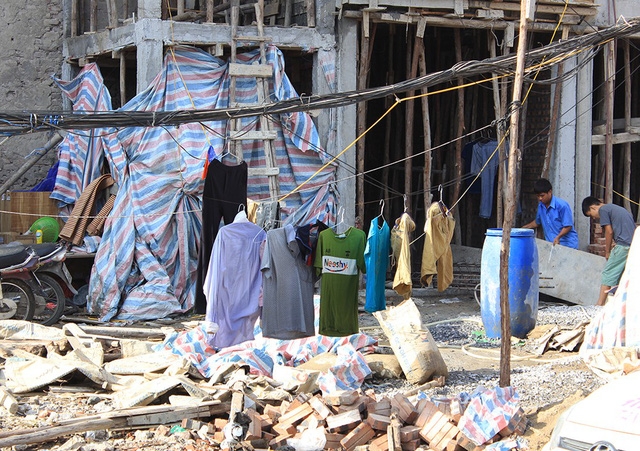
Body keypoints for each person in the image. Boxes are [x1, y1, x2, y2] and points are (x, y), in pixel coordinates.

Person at [582, 196, 637, 305]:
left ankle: (600, 304)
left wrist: (607, 251)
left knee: (608, 273)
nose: (594, 218)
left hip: (623, 246)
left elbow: (609, 231)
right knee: (623, 275)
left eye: (591, 215)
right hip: (632, 245)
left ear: (593, 208)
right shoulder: (616, 208)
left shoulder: (603, 210)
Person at [522, 178, 579, 249]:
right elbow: (537, 222)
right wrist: (523, 229)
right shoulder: (541, 206)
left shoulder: (562, 206)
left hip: (567, 245)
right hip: (552, 245)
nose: (540, 198)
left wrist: (558, 237)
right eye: (538, 196)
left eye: (542, 196)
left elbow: (568, 226)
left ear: (550, 192)